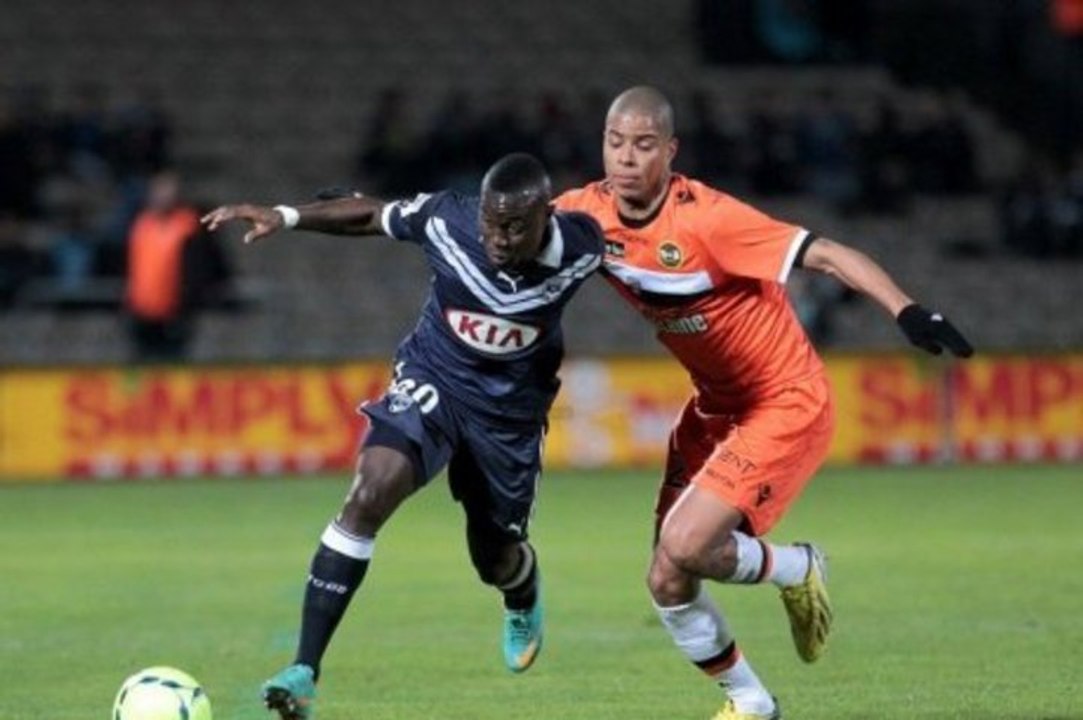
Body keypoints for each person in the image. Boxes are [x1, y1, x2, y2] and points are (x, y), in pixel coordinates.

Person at [555, 87, 973, 720]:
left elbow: (828, 254)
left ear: (670, 151)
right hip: (714, 408)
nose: (627, 158)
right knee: (669, 577)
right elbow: (496, 227)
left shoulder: (710, 220)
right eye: (616, 143)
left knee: (688, 543)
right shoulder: (584, 215)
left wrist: (907, 310)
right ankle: (751, 703)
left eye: (644, 145)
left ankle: (797, 566)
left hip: (784, 400)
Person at [202, 153, 603, 720]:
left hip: (508, 419)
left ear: (546, 218)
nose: (497, 236)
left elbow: (655, 267)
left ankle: (521, 589)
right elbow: (372, 215)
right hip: (434, 379)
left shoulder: (584, 248)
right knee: (370, 490)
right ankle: (304, 671)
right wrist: (287, 215)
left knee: (494, 556)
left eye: (514, 225)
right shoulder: (450, 220)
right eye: (491, 220)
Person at [126, 170, 230, 361]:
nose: (164, 195)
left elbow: (207, 262)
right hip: (141, 313)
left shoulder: (189, 223)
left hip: (176, 313)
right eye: (159, 189)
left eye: (169, 189)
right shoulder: (141, 223)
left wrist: (191, 299)